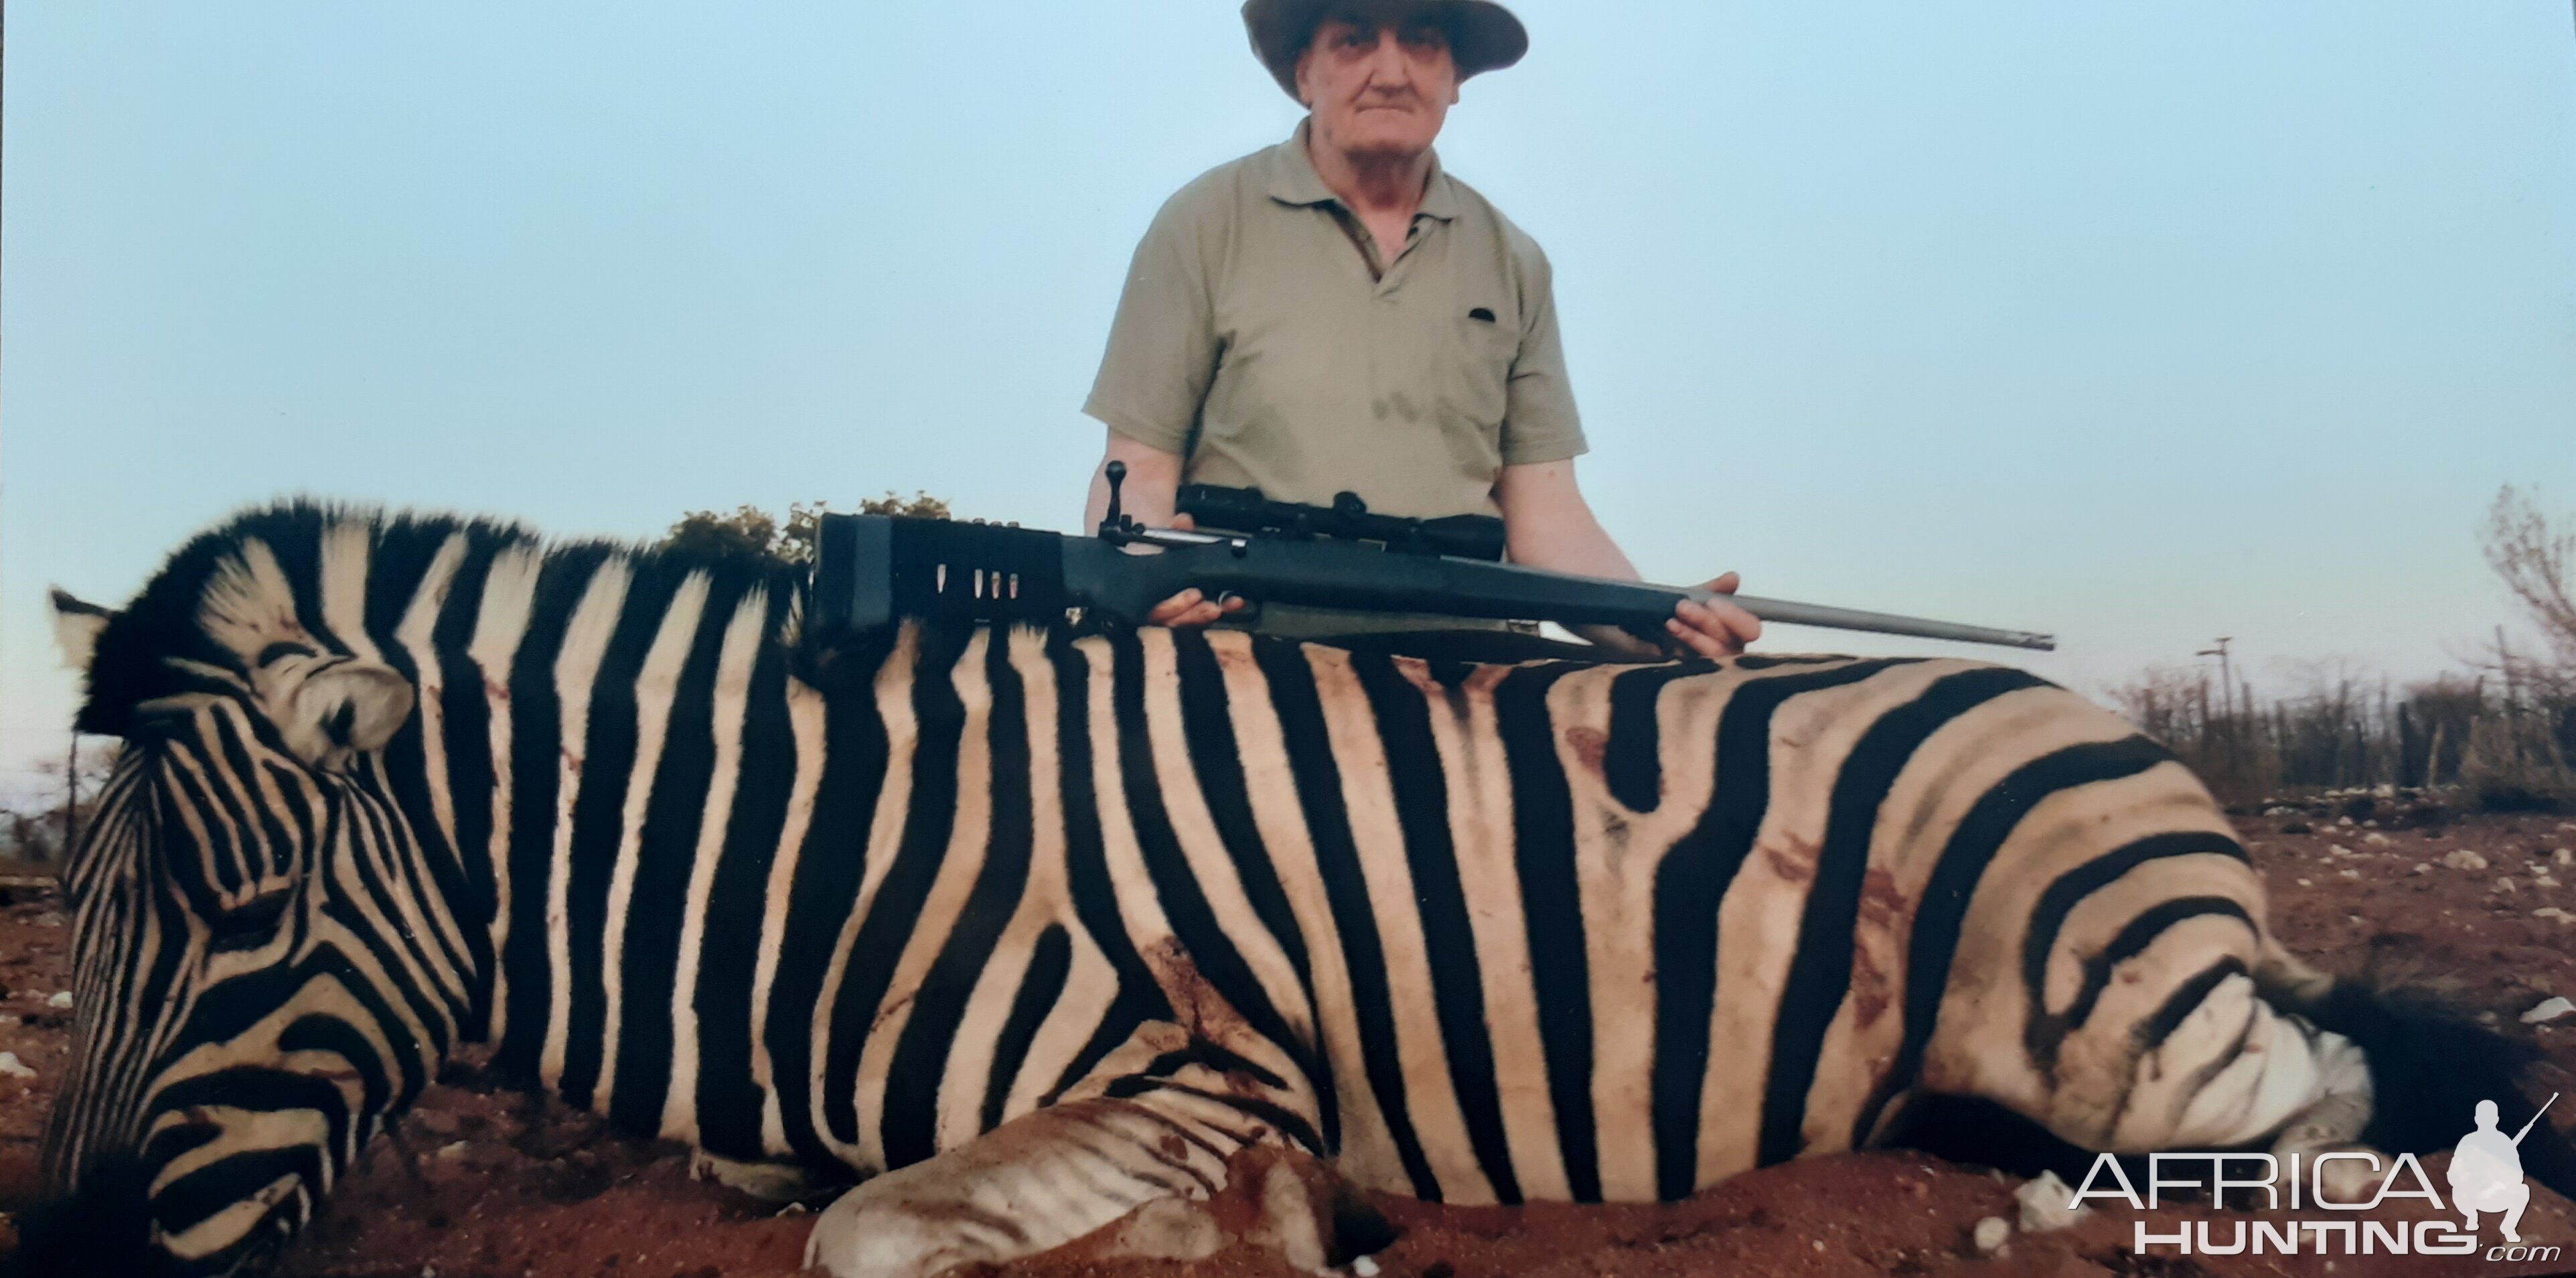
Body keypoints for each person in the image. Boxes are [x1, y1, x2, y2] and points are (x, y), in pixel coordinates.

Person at [1079, 0, 1760, 658]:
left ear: (1454, 80)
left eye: (1422, 43)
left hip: (1469, 676)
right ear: (1304, 72)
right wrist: (1142, 584)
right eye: (1353, 39)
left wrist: (1654, 619)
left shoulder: (1513, 260)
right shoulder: (1202, 222)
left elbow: (1546, 519)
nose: (1392, 72)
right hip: (1247, 661)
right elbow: (1138, 469)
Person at [2447, 1099, 2531, 1242]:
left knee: (2523, 1190)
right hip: (2471, 1196)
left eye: (2489, 1117)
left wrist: (2500, 1178)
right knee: (2458, 1191)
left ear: (2496, 1119)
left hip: (2496, 1196)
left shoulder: (2504, 1142)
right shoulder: (2468, 1141)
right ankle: (2472, 1217)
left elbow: (2518, 1175)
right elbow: (2453, 1174)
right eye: (2484, 1117)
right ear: (2477, 1119)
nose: (2486, 1121)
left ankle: (2509, 1227)